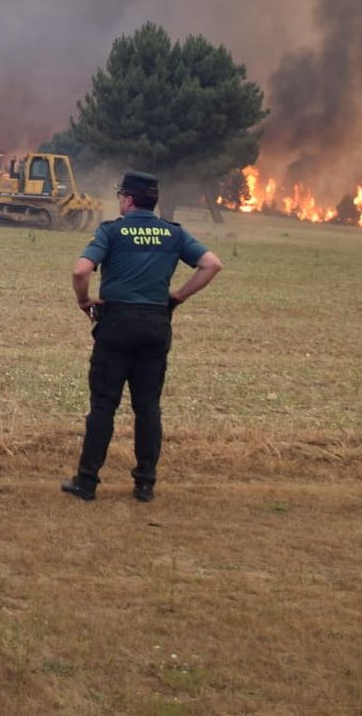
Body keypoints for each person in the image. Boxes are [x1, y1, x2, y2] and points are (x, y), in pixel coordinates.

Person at [62, 170, 223, 503]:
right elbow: (211, 264)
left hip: (116, 324)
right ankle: (145, 484)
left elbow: (80, 270)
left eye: (121, 195)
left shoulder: (111, 231)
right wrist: (178, 296)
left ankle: (87, 482)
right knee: (148, 407)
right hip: (155, 324)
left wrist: (84, 300)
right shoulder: (173, 233)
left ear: (129, 199)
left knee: (103, 406)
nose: (119, 200)